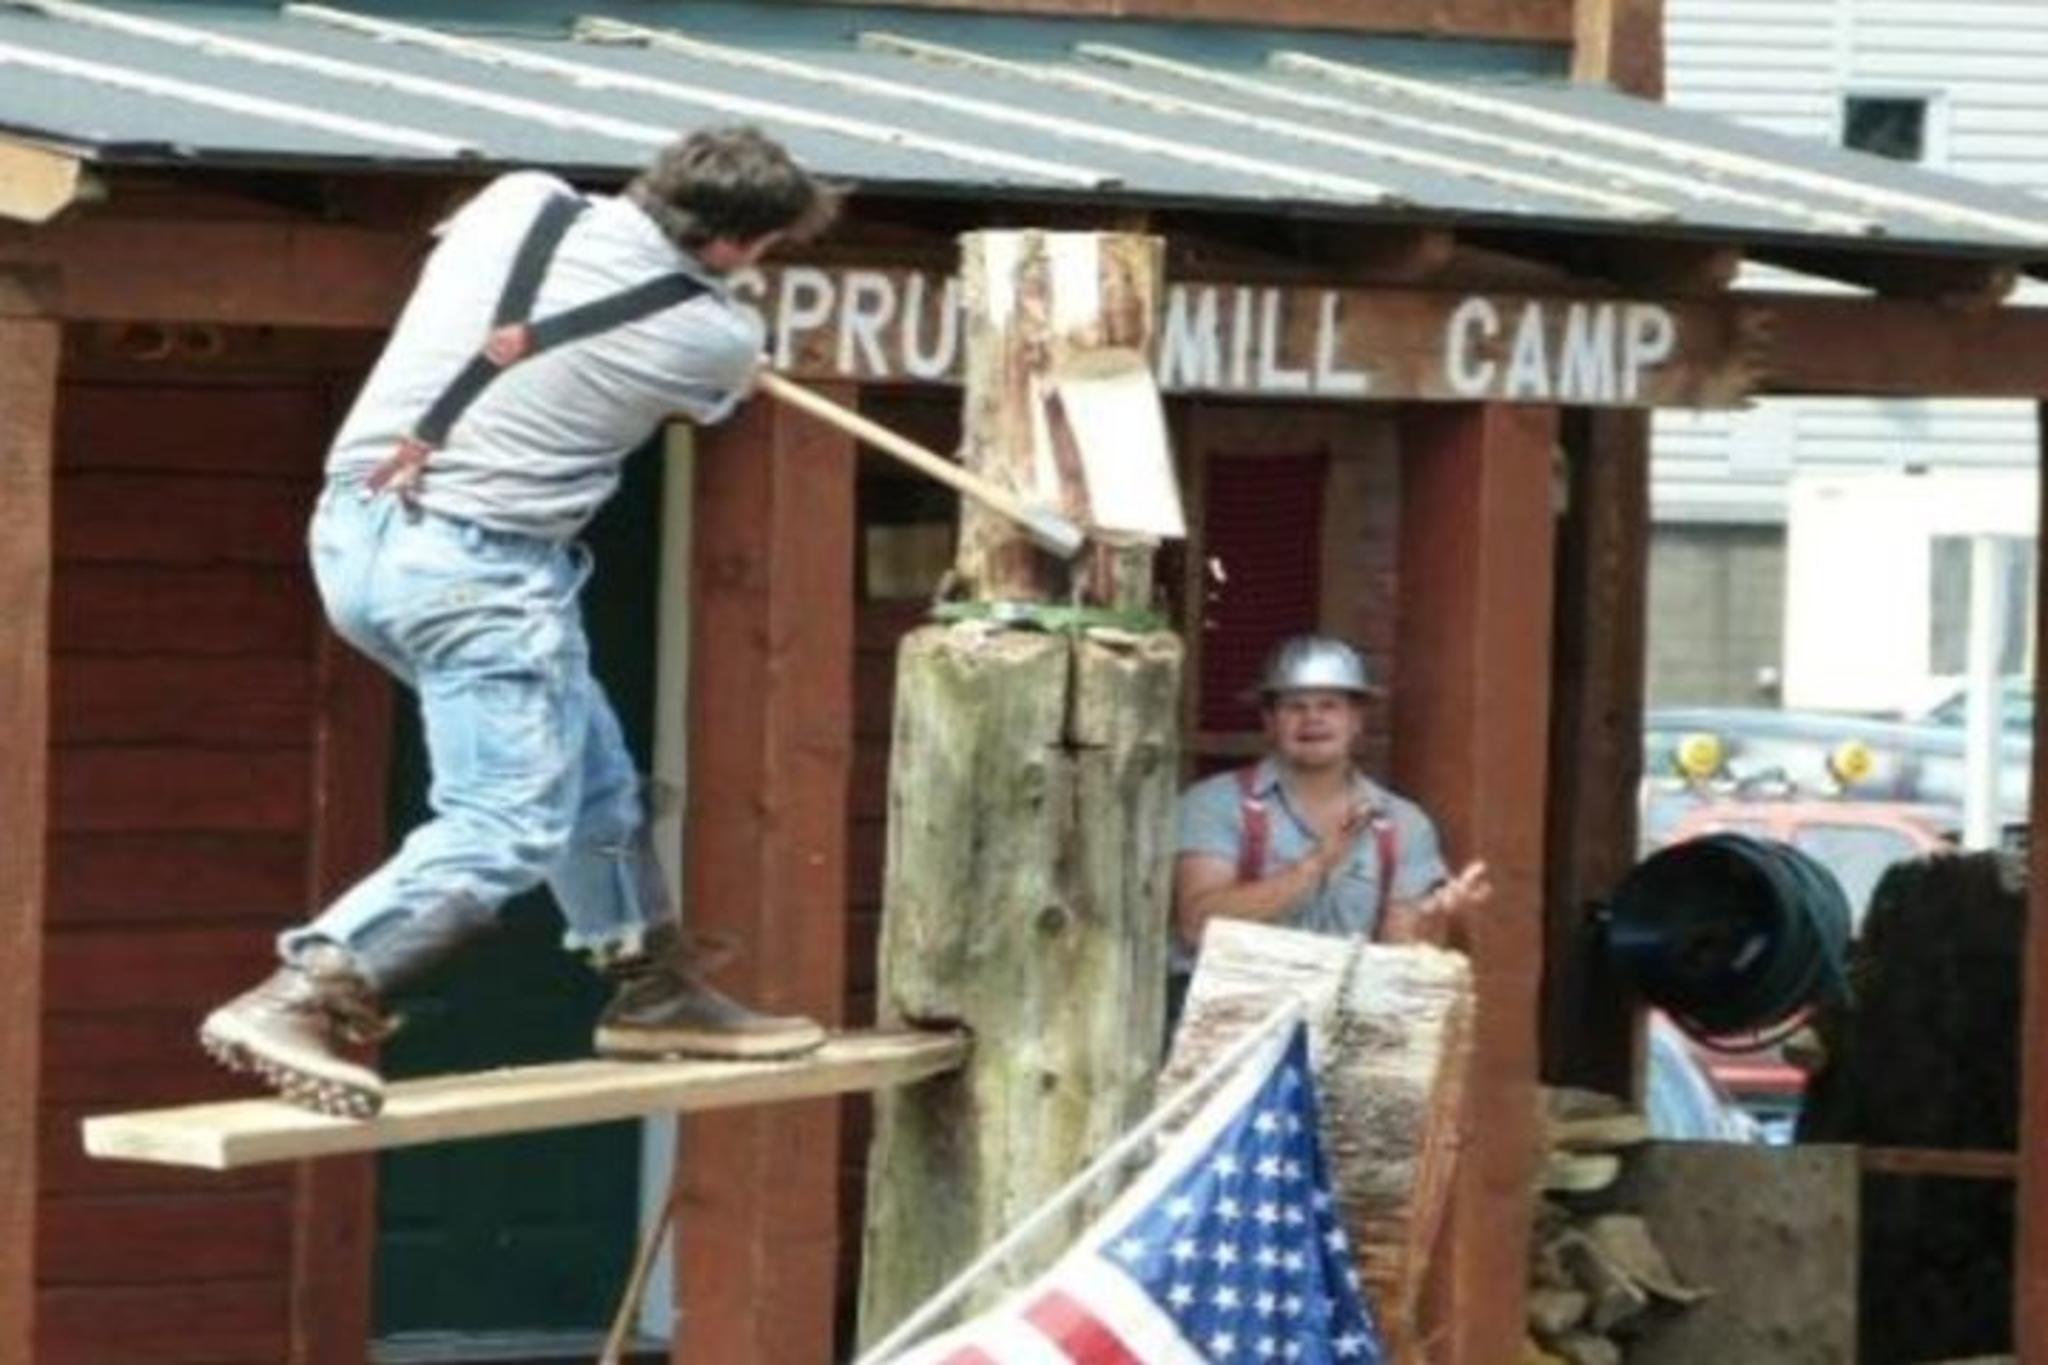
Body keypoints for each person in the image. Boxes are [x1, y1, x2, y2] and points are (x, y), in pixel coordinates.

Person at [199, 127, 841, 1119]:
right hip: (481, 569)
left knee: (590, 779)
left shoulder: (518, 199)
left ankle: (651, 987)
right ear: (733, 245)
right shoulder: (714, 334)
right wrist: (728, 345)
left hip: (357, 535)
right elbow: (709, 397)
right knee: (506, 820)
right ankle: (309, 988)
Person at [1171, 635, 1493, 1006]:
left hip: (1347, 1030)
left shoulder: (1403, 824)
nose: (1313, 719)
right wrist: (1314, 867)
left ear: (1356, 720)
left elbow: (1397, 953)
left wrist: (1438, 920)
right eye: (1295, 707)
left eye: (1329, 706)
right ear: (1270, 721)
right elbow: (1198, 926)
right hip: (1228, 1026)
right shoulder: (1216, 803)